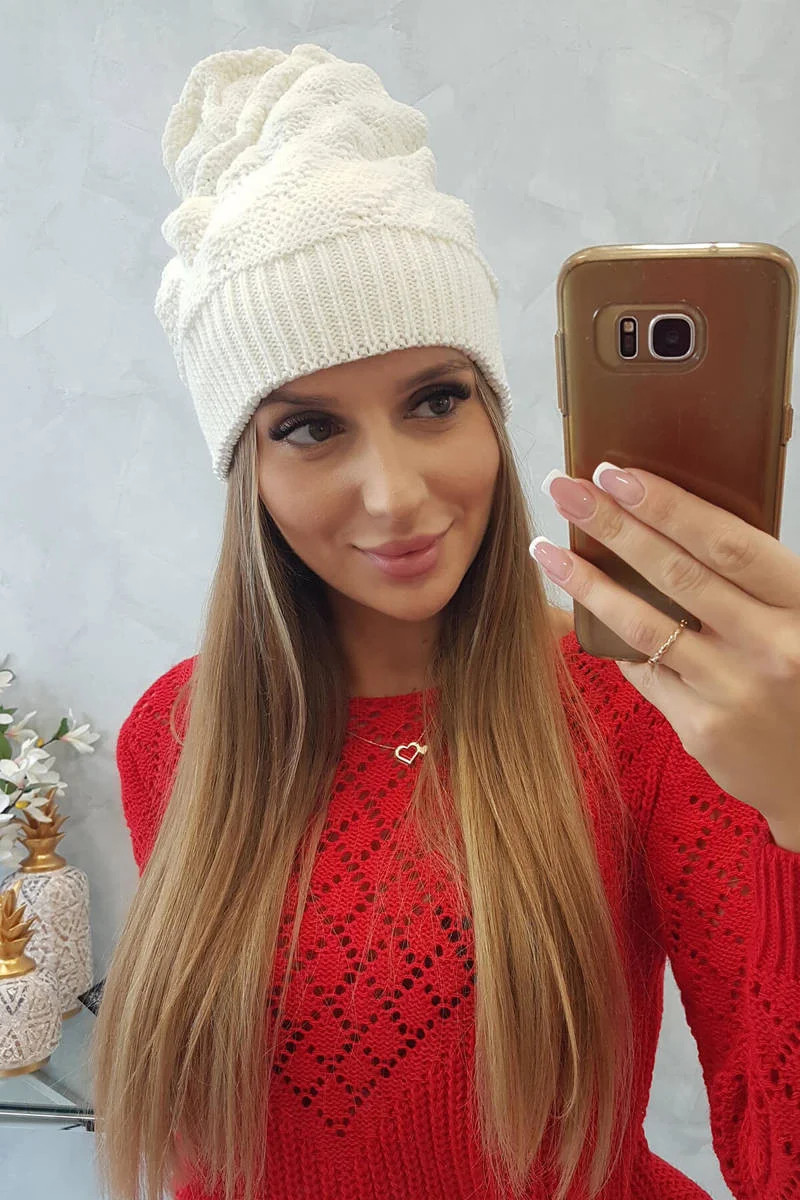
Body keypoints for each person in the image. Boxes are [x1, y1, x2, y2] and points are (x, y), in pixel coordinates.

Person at [89, 43, 800, 1200]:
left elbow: (778, 1154)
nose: (395, 495)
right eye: (309, 427)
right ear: (246, 467)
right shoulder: (172, 734)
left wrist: (795, 804)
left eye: (434, 400)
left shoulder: (646, 716)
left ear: (492, 412)